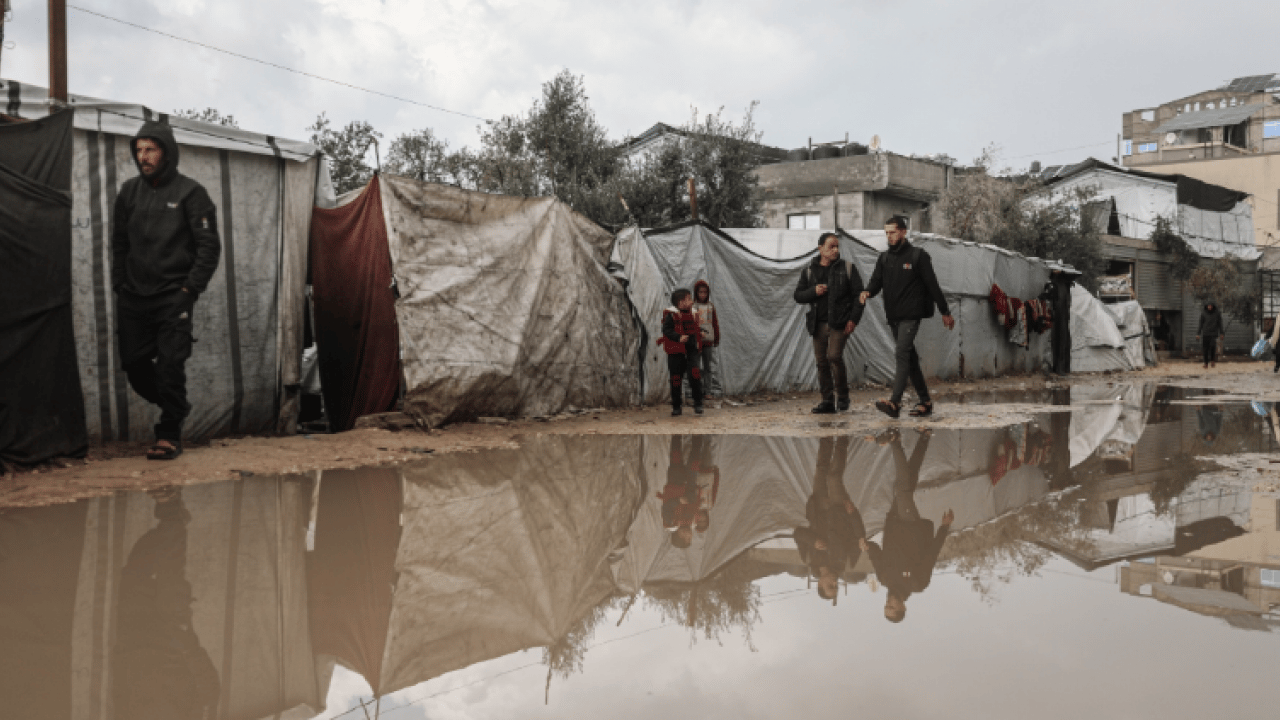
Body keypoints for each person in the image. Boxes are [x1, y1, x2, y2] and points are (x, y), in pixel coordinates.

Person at [112, 120, 221, 460]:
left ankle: (169, 433)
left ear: (167, 152)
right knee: (134, 365)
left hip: (174, 295)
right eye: (139, 150)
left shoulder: (191, 193)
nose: (143, 156)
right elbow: (119, 243)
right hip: (134, 296)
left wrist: (189, 289)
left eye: (151, 150)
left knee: (171, 365)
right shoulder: (129, 192)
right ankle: (177, 404)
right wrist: (119, 283)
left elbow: (209, 247)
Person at [859, 217, 952, 418]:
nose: (889, 236)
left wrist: (945, 312)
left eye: (892, 232)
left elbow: (933, 286)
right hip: (893, 316)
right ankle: (925, 401)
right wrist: (867, 292)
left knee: (902, 353)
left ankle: (894, 402)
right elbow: (875, 282)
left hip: (911, 315)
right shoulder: (884, 258)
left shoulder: (918, 256)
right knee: (909, 359)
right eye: (886, 233)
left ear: (903, 232)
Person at [859, 428, 953, 623]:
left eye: (886, 606)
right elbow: (931, 555)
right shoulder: (918, 584)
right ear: (903, 607)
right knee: (902, 489)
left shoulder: (884, 578)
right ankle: (895, 441)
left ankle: (925, 436)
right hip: (912, 525)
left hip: (893, 522)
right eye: (892, 607)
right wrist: (944, 528)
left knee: (908, 481)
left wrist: (866, 546)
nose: (889, 603)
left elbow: (876, 553)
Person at [794, 232, 864, 414]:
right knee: (821, 362)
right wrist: (813, 291)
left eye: (837, 246)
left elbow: (859, 296)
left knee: (834, 356)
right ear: (820, 248)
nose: (835, 250)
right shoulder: (809, 271)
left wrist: (853, 319)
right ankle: (827, 401)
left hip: (840, 323)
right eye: (831, 246)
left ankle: (842, 396)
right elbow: (798, 296)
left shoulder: (847, 268)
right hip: (818, 323)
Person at [794, 436, 865, 603]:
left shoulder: (809, 559)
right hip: (839, 508)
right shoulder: (847, 562)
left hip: (818, 508)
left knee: (821, 469)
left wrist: (813, 540)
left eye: (830, 586)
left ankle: (826, 434)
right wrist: (852, 513)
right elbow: (859, 537)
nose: (835, 582)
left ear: (819, 584)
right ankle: (843, 437)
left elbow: (797, 533)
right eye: (836, 586)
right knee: (834, 477)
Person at [660, 288, 704, 416]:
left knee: (695, 375)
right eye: (688, 299)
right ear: (680, 302)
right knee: (675, 379)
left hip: (691, 351)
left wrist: (701, 333)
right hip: (676, 352)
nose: (691, 301)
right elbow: (666, 330)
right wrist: (678, 337)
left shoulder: (694, 313)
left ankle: (698, 403)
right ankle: (677, 407)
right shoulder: (671, 314)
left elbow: (695, 328)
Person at [691, 280, 723, 400]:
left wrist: (716, 337)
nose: (703, 295)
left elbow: (714, 323)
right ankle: (696, 390)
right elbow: (690, 324)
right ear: (696, 293)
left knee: (707, 368)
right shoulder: (693, 307)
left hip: (708, 341)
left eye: (705, 292)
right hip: (696, 342)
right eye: (700, 292)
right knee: (696, 367)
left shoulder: (710, 306)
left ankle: (708, 391)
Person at [1040, 269, 1075, 375]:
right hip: (1062, 317)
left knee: (1058, 341)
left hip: (1058, 317)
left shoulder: (1054, 286)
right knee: (1063, 342)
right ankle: (1064, 368)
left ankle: (1059, 368)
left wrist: (1041, 297)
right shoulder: (1066, 286)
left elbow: (1048, 297)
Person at [1196, 301, 1224, 369]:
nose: (1210, 307)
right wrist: (1198, 333)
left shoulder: (1217, 314)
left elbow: (1220, 323)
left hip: (1213, 333)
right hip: (1205, 333)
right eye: (1208, 306)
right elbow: (1200, 324)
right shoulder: (1203, 314)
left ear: (1213, 306)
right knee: (1205, 349)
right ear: (1206, 306)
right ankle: (1206, 363)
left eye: (1211, 306)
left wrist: (1221, 333)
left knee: (1212, 347)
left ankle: (1212, 360)